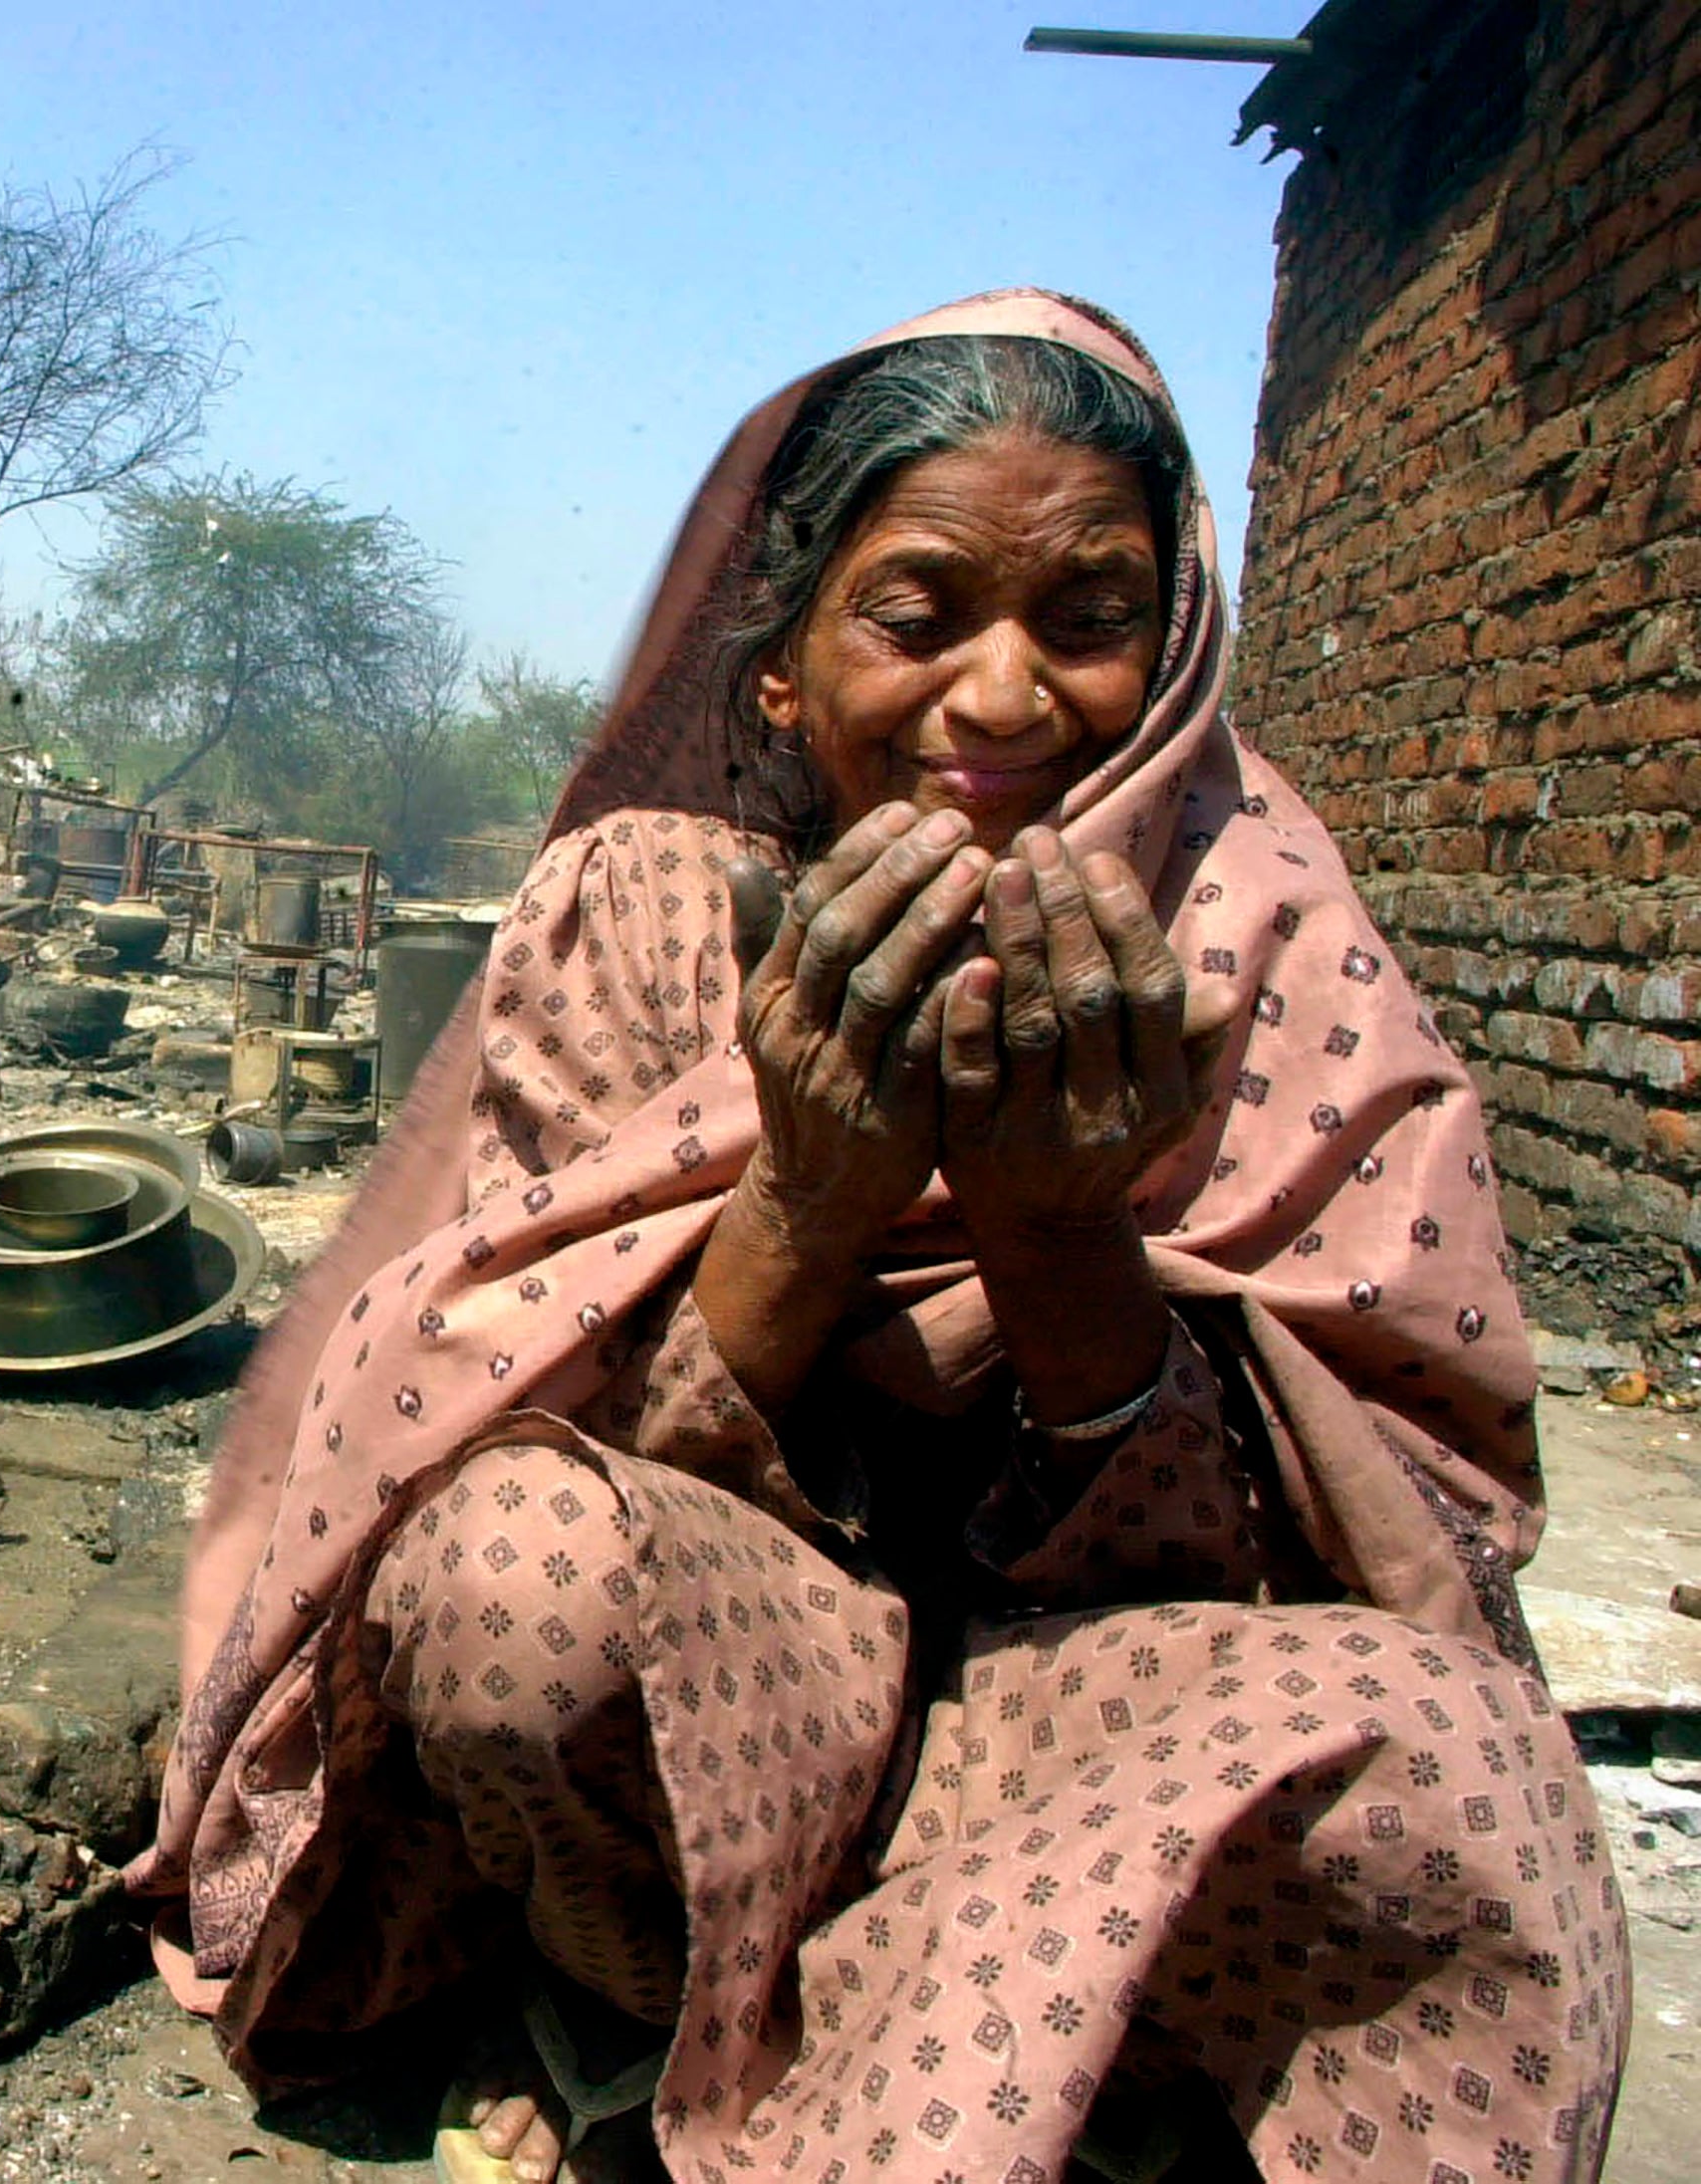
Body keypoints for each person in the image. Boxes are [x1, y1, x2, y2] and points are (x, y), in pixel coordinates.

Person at [126, 293, 1628, 2184]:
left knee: (1467, 1776)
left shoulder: (1267, 940)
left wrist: (1063, 1238)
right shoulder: (643, 916)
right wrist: (810, 1197)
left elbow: (1389, 1533)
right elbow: (530, 1416)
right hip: (741, 1683)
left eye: (1088, 621)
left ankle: (990, 2058)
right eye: (919, 618)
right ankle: (643, 2016)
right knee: (511, 1576)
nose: (1003, 702)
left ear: (1171, 652)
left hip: (1100, 1721)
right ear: (782, 673)